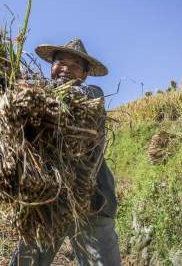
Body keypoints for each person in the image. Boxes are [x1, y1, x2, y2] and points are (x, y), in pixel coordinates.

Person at [8, 38, 121, 265]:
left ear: (85, 74)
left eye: (75, 65)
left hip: (92, 199)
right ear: (51, 66)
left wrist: (17, 85)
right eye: (60, 62)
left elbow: (66, 96)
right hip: (48, 199)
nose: (66, 69)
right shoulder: (33, 103)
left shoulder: (92, 94)